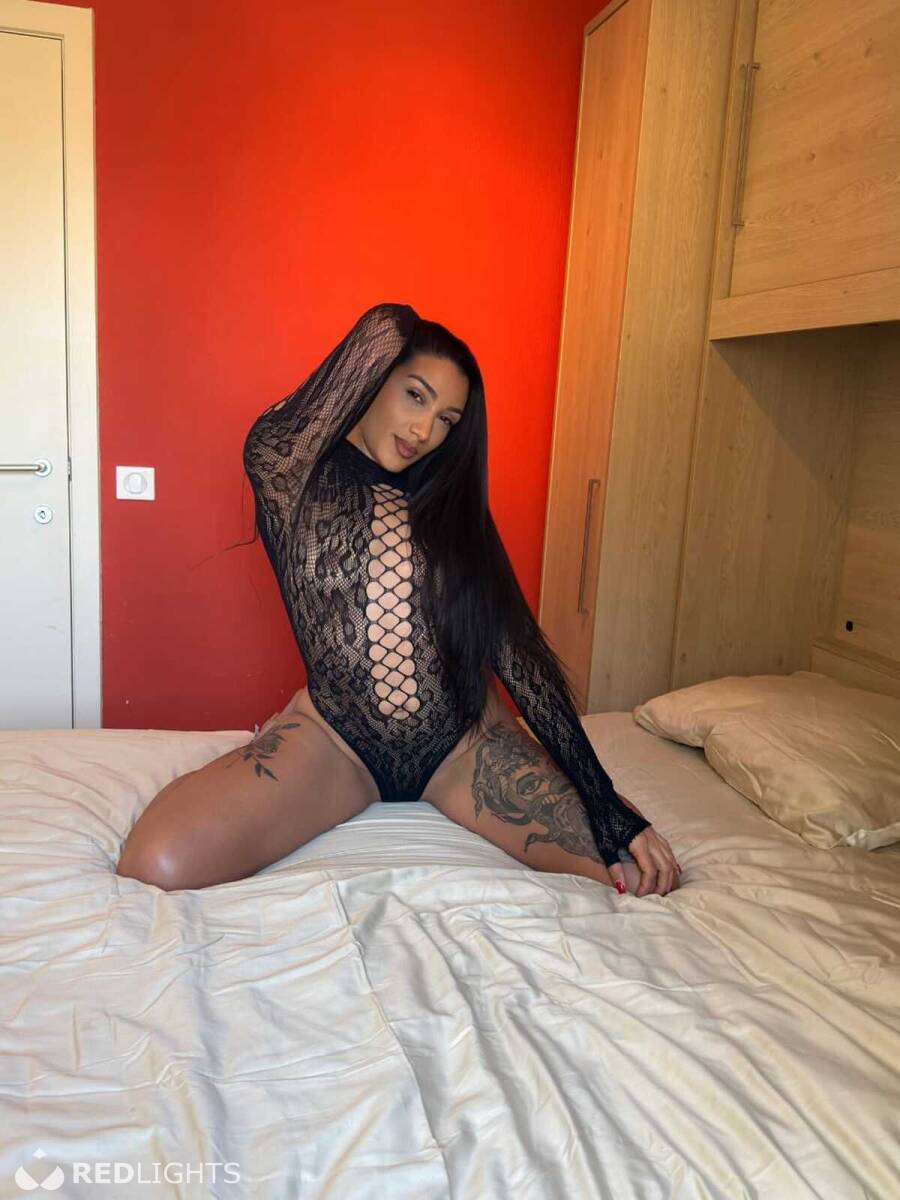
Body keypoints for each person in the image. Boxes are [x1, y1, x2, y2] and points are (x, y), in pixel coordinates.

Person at [116, 302, 680, 897]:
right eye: (415, 396)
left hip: (463, 747)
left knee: (638, 873)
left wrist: (600, 797)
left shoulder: (453, 510)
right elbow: (379, 333)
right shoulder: (291, 473)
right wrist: (406, 325)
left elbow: (519, 656)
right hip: (337, 744)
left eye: (446, 419)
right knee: (156, 863)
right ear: (374, 377)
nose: (424, 431)